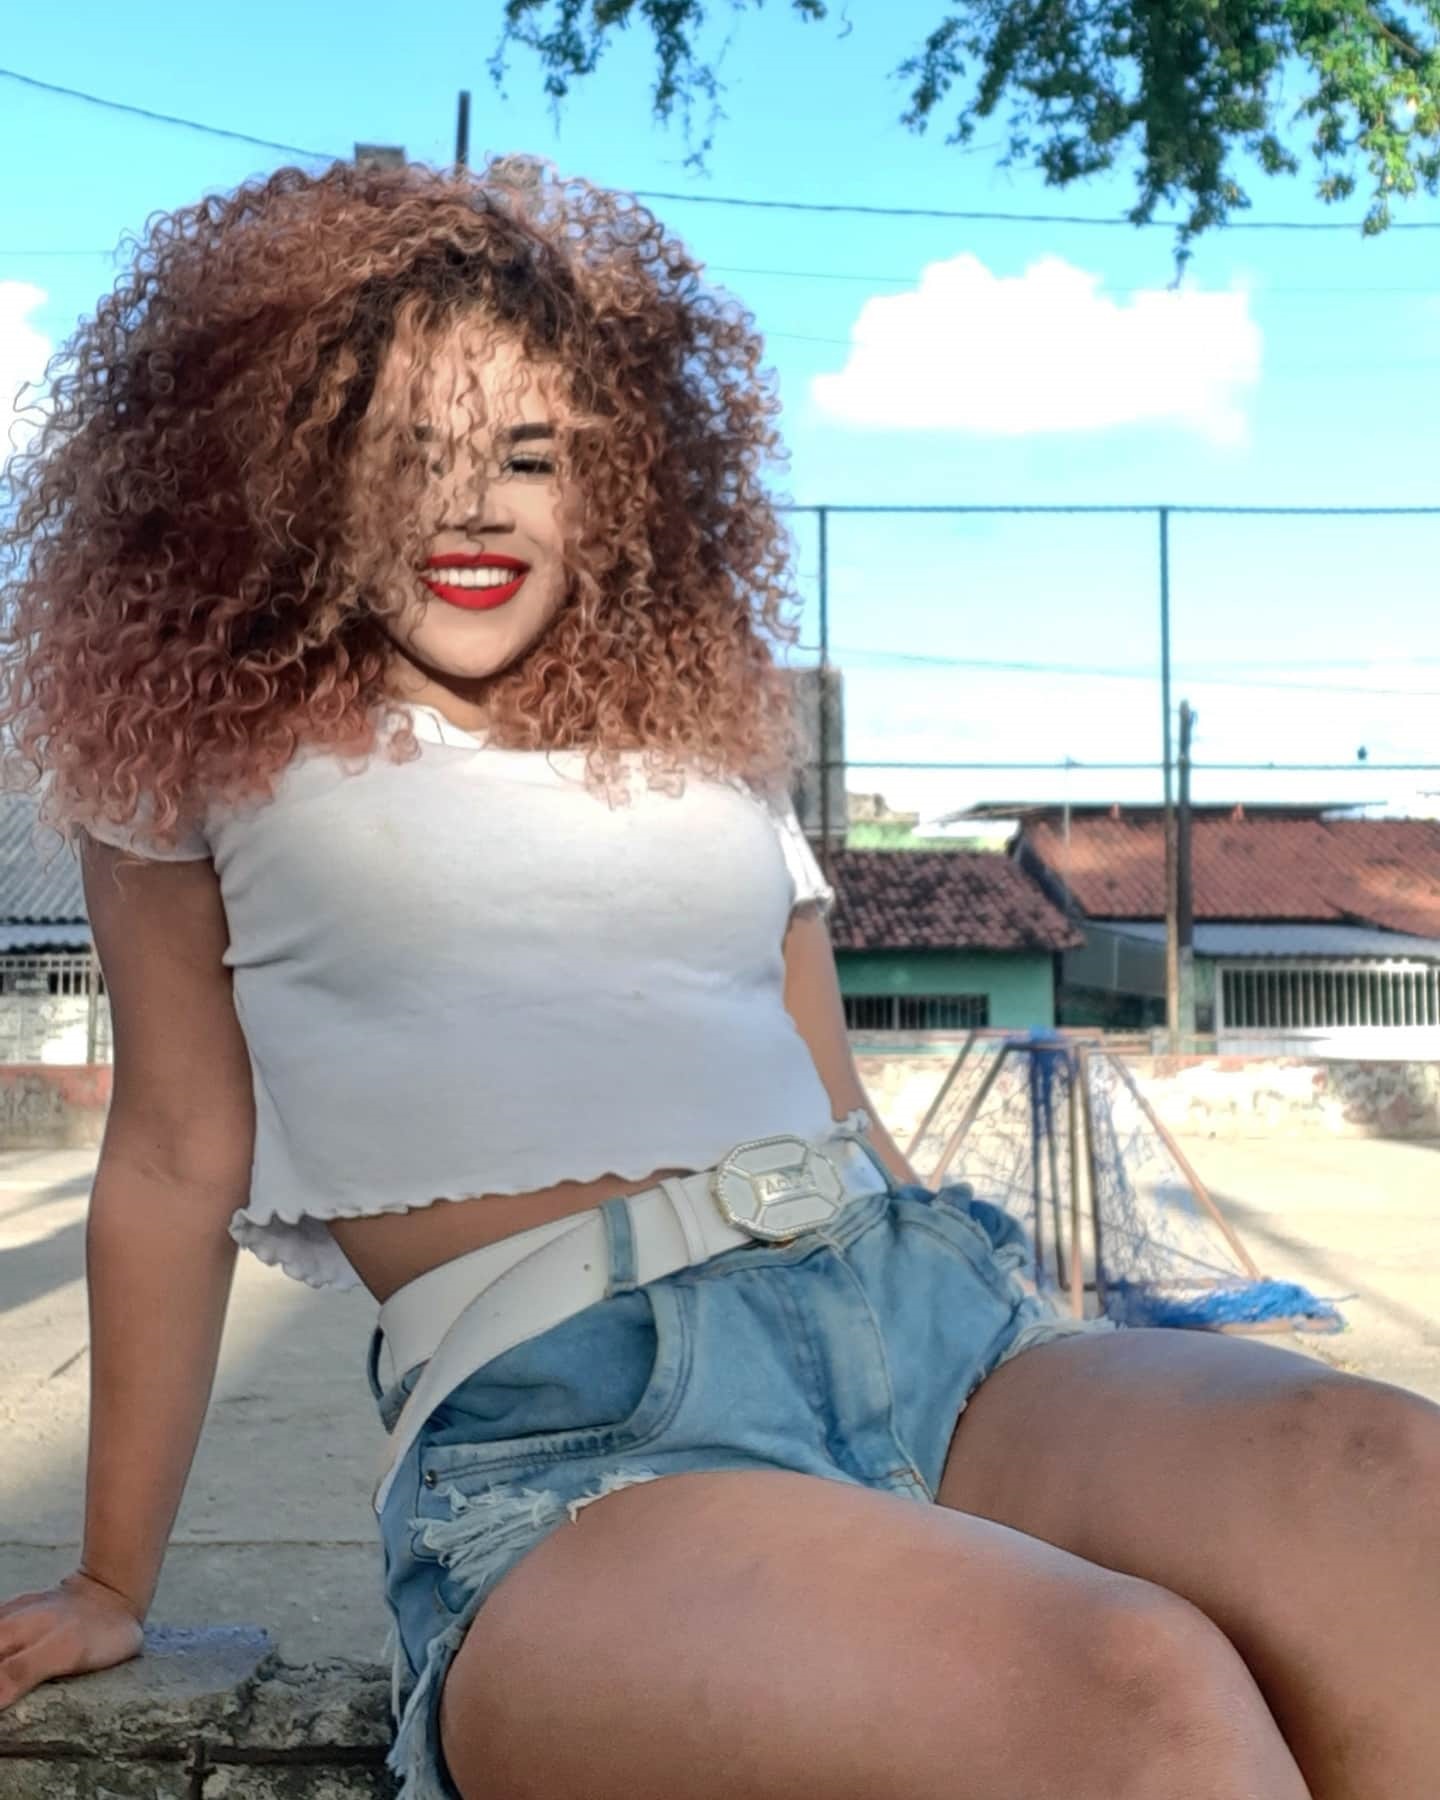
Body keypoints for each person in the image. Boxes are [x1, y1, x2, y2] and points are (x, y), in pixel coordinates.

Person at [0, 157, 1434, 1800]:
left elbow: (837, 1103)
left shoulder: (703, 739)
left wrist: (997, 1312)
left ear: (611, 484)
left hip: (932, 1326)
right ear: (286, 479)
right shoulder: (207, 757)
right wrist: (112, 1578)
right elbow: (173, 1158)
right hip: (585, 1435)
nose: (477, 509)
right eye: (410, 457)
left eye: (530, 457)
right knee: (1133, 1690)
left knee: (1386, 1474)